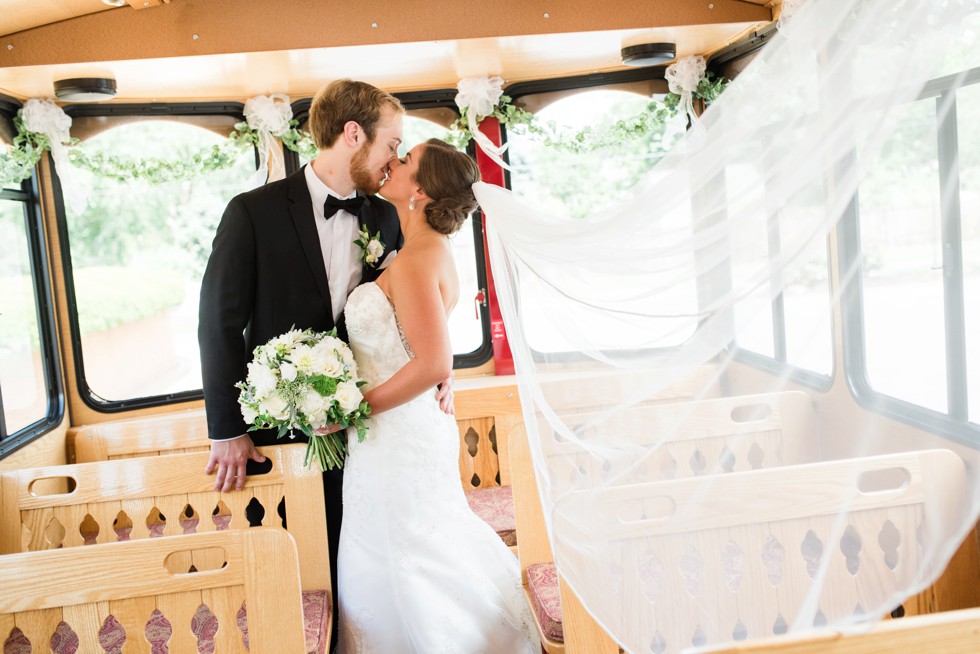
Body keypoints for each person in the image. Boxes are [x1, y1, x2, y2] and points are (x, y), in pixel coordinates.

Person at [198, 79, 452, 650]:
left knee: (361, 569)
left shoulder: (387, 219)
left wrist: (442, 369)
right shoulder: (251, 213)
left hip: (363, 434)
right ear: (353, 134)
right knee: (298, 578)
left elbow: (411, 313)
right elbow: (217, 322)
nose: (393, 158)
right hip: (282, 434)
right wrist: (228, 429)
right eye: (392, 143)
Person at [334, 139, 539, 652]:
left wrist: (356, 409)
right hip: (396, 431)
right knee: (399, 548)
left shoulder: (419, 258)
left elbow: (435, 363)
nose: (394, 163)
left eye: (405, 162)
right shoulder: (418, 251)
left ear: (419, 189)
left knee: (409, 553)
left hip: (395, 435)